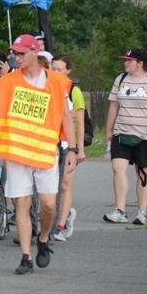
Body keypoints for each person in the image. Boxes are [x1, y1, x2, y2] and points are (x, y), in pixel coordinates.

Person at [0, 34, 78, 275]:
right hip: (15, 152)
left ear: (35, 53)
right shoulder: (7, 82)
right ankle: (26, 256)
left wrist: (74, 149)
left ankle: (43, 238)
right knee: (21, 204)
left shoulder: (56, 82)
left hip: (45, 152)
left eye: (22, 53)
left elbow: (66, 116)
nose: (17, 57)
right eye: (15, 53)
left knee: (47, 206)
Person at [104, 48, 147, 225]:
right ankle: (120, 210)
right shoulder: (121, 79)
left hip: (145, 134)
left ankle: (142, 212)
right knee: (117, 167)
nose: (125, 63)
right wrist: (108, 130)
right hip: (121, 131)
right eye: (125, 60)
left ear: (140, 63)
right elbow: (114, 106)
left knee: (142, 171)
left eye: (129, 60)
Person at [51, 55, 87, 241]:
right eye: (53, 68)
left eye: (59, 69)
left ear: (68, 71)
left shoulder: (74, 91)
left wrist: (79, 148)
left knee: (65, 185)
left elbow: (80, 123)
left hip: (68, 144)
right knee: (52, 187)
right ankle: (53, 221)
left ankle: (61, 225)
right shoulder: (47, 86)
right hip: (51, 142)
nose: (55, 72)